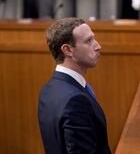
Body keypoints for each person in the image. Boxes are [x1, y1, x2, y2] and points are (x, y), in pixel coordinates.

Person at [38, 18, 111, 154]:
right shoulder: (75, 100)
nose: (98, 45)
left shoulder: (48, 89)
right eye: (88, 41)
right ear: (68, 50)